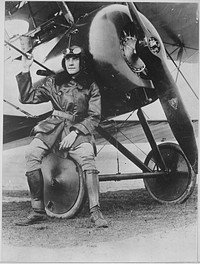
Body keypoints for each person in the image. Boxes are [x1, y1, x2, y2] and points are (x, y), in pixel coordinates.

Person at [15, 45, 108, 228]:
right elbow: (27, 97)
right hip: (52, 128)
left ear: (82, 61)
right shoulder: (53, 82)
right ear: (64, 62)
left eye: (75, 59)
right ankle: (37, 210)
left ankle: (95, 211)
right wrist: (25, 68)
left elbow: (94, 116)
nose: (71, 62)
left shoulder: (91, 86)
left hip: (78, 131)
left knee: (88, 157)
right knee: (31, 154)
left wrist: (75, 133)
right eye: (67, 59)